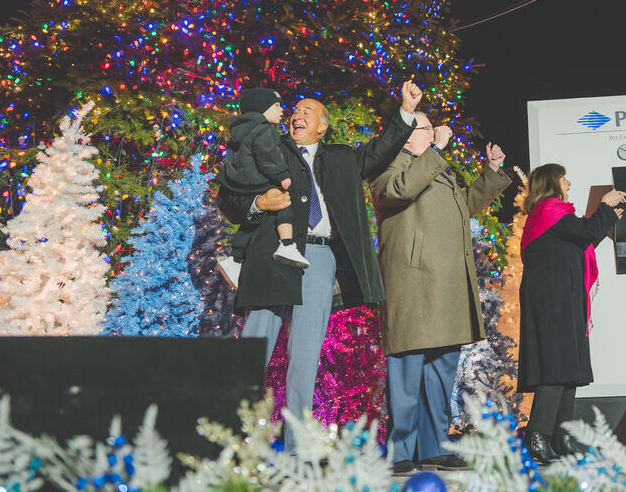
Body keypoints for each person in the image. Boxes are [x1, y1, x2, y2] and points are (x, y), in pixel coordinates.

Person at [215, 81, 421, 453]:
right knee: (252, 350)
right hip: (273, 253)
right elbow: (229, 195)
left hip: (320, 258)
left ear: (322, 125)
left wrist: (405, 111)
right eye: (294, 110)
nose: (297, 114)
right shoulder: (268, 148)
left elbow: (379, 151)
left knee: (305, 354)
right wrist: (259, 202)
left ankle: (297, 451)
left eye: (307, 110)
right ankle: (227, 445)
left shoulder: (342, 157)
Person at [370, 115, 513, 474]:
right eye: (424, 129)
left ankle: (433, 447)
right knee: (406, 366)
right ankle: (399, 450)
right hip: (413, 283)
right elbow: (397, 191)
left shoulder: (434, 167)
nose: (433, 133)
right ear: (404, 138)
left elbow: (462, 207)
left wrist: (491, 173)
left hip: (446, 284)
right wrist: (434, 151)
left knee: (441, 368)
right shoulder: (389, 166)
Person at [517, 163, 626, 464]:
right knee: (556, 366)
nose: (569, 181)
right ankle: (538, 435)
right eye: (563, 177)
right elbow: (586, 230)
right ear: (552, 182)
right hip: (551, 300)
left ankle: (561, 436)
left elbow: (582, 240)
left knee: (567, 368)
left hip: (562, 297)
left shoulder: (554, 216)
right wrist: (604, 207)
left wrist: (606, 219)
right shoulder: (548, 211)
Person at [218, 87, 307, 269]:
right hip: (258, 181)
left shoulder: (240, 130)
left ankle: (235, 258)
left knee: (251, 225)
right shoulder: (264, 130)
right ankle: (287, 244)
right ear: (262, 108)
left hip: (241, 181)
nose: (283, 111)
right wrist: (281, 175)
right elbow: (268, 156)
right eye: (277, 106)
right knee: (284, 203)